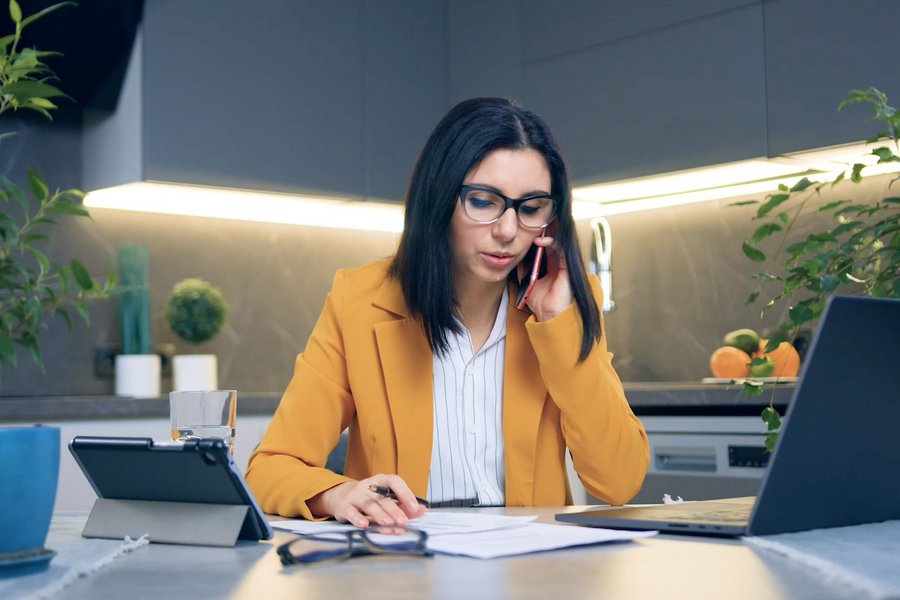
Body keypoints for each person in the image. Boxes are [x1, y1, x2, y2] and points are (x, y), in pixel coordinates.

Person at [246, 97, 649, 527]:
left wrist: (557, 324)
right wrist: (338, 493)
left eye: (531, 208)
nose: (508, 231)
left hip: (531, 567)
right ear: (439, 198)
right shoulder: (360, 300)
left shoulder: (565, 304)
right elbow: (270, 467)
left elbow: (618, 482)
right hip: (405, 563)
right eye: (482, 201)